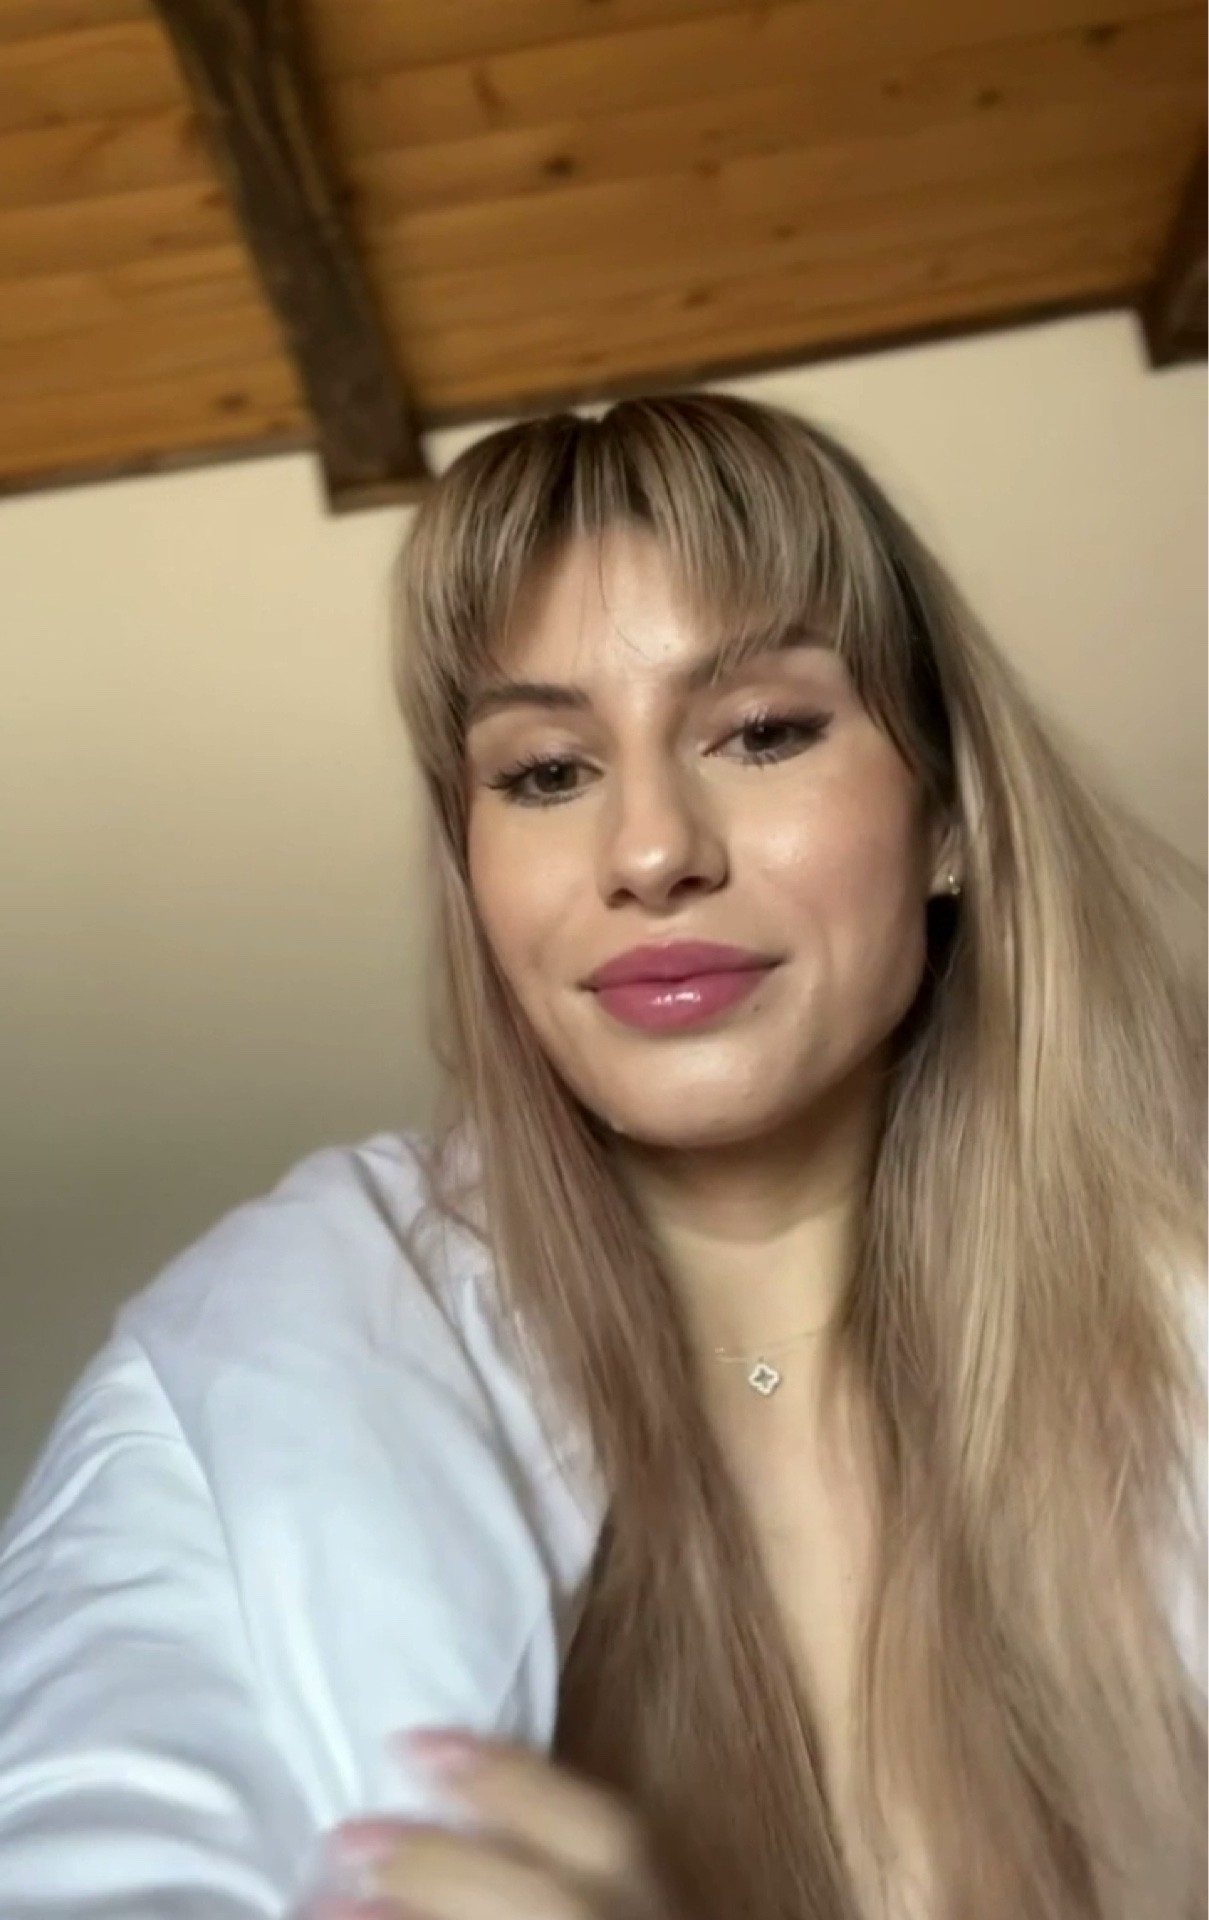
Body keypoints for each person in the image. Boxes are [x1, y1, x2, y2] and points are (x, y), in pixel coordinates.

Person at [0, 395, 1203, 1920]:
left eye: (760, 733)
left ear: (948, 815)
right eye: (546, 773)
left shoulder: (1175, 1280)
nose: (648, 851)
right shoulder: (264, 1352)